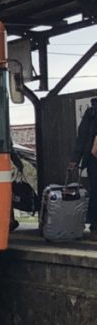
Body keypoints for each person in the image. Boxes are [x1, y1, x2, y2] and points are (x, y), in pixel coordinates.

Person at [69, 95, 97, 238]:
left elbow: (82, 137)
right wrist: (75, 159)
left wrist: (75, 159)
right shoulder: (92, 113)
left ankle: (94, 226)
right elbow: (83, 138)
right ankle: (95, 226)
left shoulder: (91, 113)